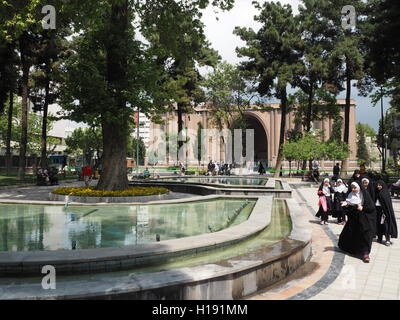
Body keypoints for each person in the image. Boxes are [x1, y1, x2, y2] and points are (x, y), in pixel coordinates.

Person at [338, 182, 376, 263]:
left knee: (365, 235)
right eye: (352, 188)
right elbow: (349, 207)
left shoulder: (365, 196)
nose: (353, 189)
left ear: (359, 188)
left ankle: (366, 254)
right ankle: (355, 251)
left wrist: (363, 208)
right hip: (354, 219)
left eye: (355, 188)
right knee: (353, 234)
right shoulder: (350, 195)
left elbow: (371, 208)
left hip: (364, 219)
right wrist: (346, 205)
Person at [375, 180, 398, 246]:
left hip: (385, 213)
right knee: (379, 225)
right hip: (378, 211)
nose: (378, 186)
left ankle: (387, 239)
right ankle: (379, 238)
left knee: (386, 226)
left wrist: (385, 212)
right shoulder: (377, 192)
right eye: (377, 185)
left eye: (380, 185)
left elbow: (387, 205)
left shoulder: (385, 193)